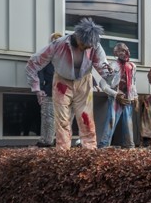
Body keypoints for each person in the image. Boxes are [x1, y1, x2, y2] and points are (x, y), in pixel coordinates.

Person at [26, 18, 111, 150]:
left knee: (86, 118)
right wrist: (36, 87)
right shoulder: (58, 44)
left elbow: (101, 65)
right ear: (77, 37)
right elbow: (33, 62)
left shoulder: (95, 45)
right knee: (62, 119)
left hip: (84, 81)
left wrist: (110, 77)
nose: (88, 48)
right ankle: (63, 150)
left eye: (90, 46)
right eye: (85, 44)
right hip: (62, 81)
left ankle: (90, 149)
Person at [98, 43, 138, 149]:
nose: (125, 52)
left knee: (129, 123)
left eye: (126, 50)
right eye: (121, 51)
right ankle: (104, 145)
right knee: (111, 120)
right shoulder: (112, 65)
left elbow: (133, 83)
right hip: (115, 98)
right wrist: (115, 94)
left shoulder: (133, 66)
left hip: (128, 98)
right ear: (116, 53)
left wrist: (136, 97)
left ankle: (130, 146)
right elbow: (103, 84)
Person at [35, 31, 63, 147]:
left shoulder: (66, 59)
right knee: (47, 116)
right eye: (54, 41)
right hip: (49, 91)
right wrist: (41, 87)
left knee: (60, 118)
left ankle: (52, 140)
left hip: (63, 92)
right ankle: (46, 140)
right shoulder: (46, 57)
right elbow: (39, 70)